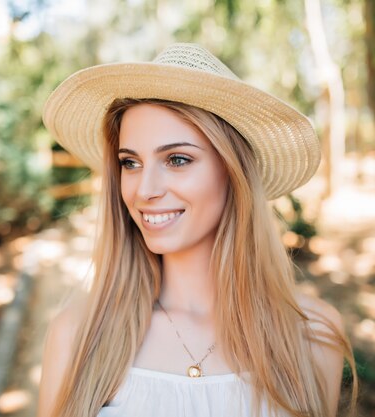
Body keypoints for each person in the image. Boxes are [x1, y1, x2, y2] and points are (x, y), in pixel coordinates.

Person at [38, 43, 357, 417]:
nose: (145, 190)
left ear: (232, 172)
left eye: (176, 159)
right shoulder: (78, 336)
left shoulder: (311, 335)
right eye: (131, 162)